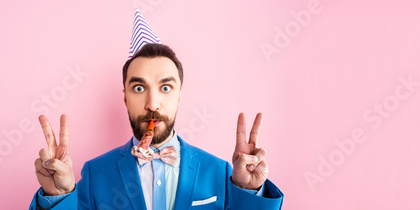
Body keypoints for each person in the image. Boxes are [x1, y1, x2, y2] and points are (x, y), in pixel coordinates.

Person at [29, 9, 284, 210]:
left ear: (179, 95)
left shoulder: (220, 172)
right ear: (126, 98)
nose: (152, 104)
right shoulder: (96, 174)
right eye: (139, 88)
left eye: (165, 88)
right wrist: (57, 196)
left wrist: (250, 193)